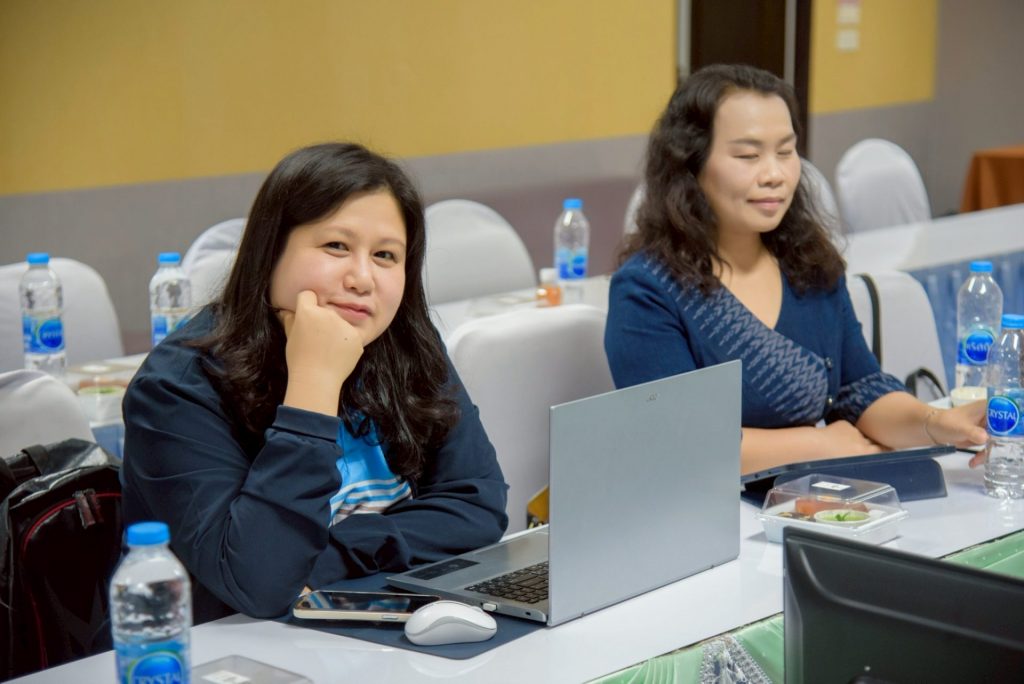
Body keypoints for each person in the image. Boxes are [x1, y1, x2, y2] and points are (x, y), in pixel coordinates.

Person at [122, 142, 508, 622]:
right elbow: (259, 584)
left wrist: (332, 555)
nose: (362, 278)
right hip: (224, 641)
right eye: (336, 247)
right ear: (270, 252)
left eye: (386, 255)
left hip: (367, 614)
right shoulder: (177, 387)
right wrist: (315, 382)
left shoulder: (404, 342)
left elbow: (478, 504)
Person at [604, 64, 987, 476]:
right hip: (711, 508)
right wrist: (821, 444)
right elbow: (679, 443)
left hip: (807, 496)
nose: (774, 175)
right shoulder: (647, 290)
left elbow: (861, 390)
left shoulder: (806, 262)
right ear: (691, 166)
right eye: (748, 156)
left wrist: (938, 424)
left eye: (786, 152)